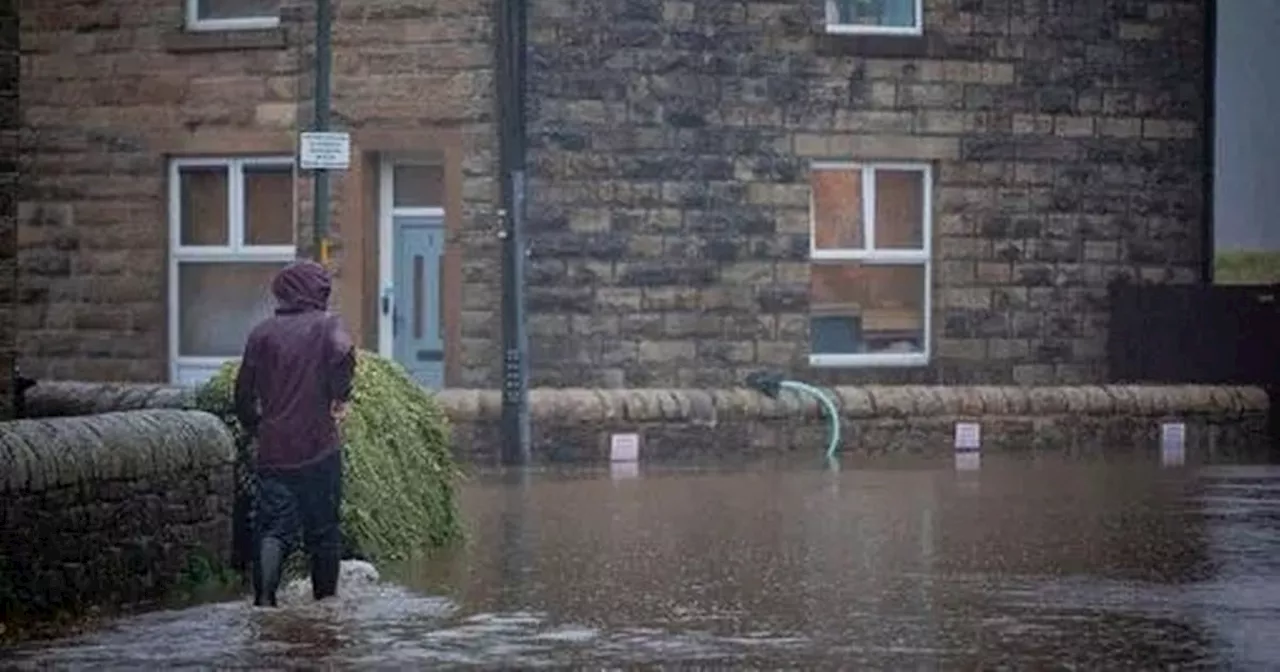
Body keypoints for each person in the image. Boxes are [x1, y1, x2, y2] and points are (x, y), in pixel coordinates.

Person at [234, 260, 356, 607]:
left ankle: (264, 601)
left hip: (274, 451)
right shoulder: (328, 325)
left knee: (273, 528)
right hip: (319, 447)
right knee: (324, 531)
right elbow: (343, 353)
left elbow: (242, 392)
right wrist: (340, 394)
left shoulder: (261, 333)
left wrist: (256, 426)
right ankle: (326, 604)